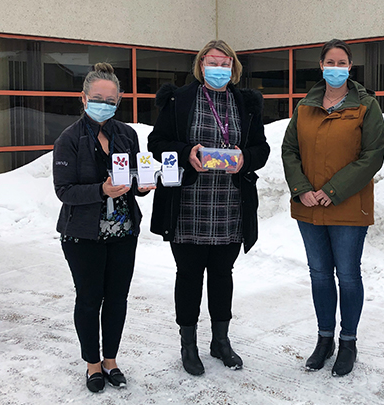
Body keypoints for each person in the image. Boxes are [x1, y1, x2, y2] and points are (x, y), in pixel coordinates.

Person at [147, 40, 270, 376]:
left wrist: (245, 158)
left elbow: (262, 148)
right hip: (188, 204)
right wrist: (187, 151)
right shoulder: (180, 99)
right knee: (188, 276)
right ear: (200, 65)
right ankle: (188, 344)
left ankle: (221, 341)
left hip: (230, 205)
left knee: (222, 275)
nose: (218, 68)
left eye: (225, 62)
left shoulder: (244, 103)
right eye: (211, 62)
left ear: (234, 67)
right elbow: (155, 143)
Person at [281, 39, 384, 377]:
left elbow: (372, 156)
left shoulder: (366, 106)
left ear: (350, 67)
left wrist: (333, 190)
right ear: (321, 65)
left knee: (348, 276)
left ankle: (348, 341)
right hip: (310, 207)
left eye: (342, 62)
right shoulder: (305, 107)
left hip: (348, 207)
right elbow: (289, 150)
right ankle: (324, 338)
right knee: (320, 275)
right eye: (331, 61)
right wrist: (302, 189)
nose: (336, 67)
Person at [53, 63, 154, 393]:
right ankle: (92, 364)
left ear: (119, 101)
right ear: (83, 98)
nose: (104, 105)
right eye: (97, 98)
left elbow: (135, 176)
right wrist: (101, 190)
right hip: (83, 235)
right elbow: (64, 191)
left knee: (117, 299)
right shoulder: (69, 139)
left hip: (123, 233)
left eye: (111, 100)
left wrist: (143, 185)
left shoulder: (127, 134)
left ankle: (111, 360)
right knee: (89, 299)